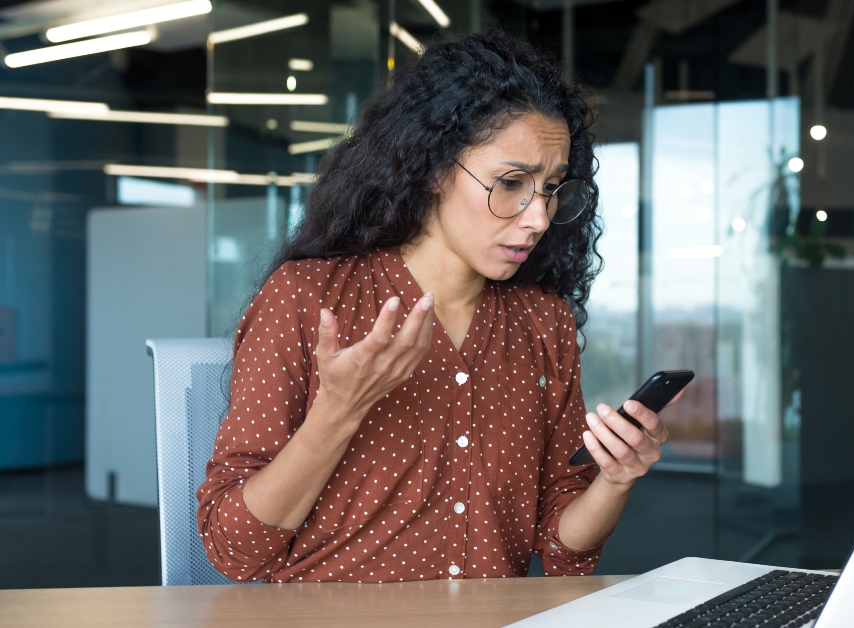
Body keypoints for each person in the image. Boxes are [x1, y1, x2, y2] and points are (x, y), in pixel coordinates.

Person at [196, 31, 674, 583]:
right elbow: (234, 550)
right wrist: (338, 412)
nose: (538, 217)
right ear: (432, 167)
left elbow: (562, 548)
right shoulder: (306, 298)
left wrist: (615, 478)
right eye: (511, 183)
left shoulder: (544, 322)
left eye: (550, 188)